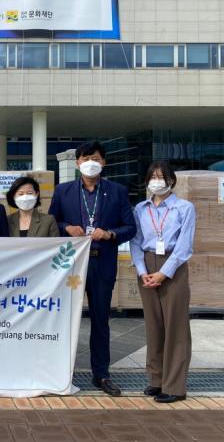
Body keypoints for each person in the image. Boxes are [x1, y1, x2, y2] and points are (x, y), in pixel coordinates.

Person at [49, 141, 136, 396]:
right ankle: (61, 371)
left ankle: (101, 374)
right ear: (77, 163)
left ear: (104, 162)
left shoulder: (117, 191)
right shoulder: (63, 191)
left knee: (100, 320)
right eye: (86, 159)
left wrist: (110, 234)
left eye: (95, 159)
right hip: (71, 264)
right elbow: (51, 221)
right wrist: (67, 228)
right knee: (64, 319)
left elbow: (130, 227)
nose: (90, 163)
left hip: (101, 262)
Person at [130, 161, 195, 404]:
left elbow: (184, 245)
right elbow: (135, 241)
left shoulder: (184, 208)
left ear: (171, 180)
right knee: (153, 325)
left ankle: (175, 386)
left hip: (173, 266)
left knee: (175, 326)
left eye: (162, 177)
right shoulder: (140, 208)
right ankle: (156, 380)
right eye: (152, 177)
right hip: (146, 265)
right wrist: (142, 271)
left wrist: (164, 273)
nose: (157, 181)